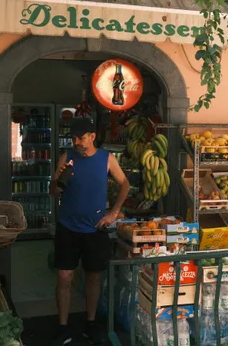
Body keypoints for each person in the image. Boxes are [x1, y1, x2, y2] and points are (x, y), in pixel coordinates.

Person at [49, 117, 130, 345]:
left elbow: (125, 184)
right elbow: (53, 191)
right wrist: (59, 180)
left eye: (81, 138)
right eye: (74, 138)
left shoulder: (107, 158)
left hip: (95, 229)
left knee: (94, 277)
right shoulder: (67, 157)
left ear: (92, 136)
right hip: (68, 228)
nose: (77, 142)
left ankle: (91, 323)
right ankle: (63, 327)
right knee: (64, 277)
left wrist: (114, 212)